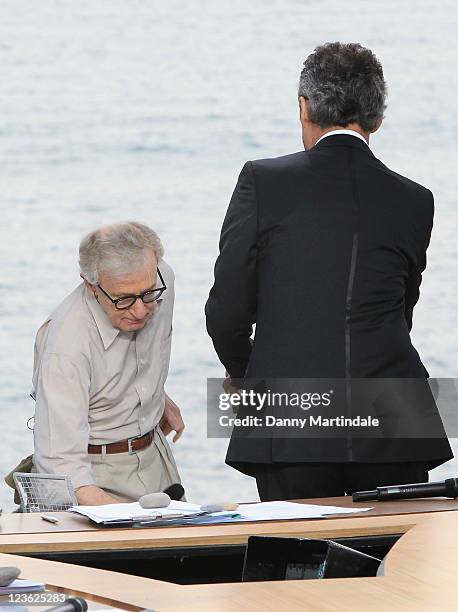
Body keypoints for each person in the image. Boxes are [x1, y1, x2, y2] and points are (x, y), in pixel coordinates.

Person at [205, 42, 453, 501]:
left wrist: (248, 374)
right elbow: (401, 311)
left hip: (293, 416)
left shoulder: (264, 181)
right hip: (395, 415)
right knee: (393, 564)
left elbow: (227, 311)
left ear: (305, 107)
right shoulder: (416, 200)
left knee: (295, 563)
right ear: (377, 117)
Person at [32, 221, 184, 505]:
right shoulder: (66, 348)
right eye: (124, 299)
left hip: (157, 459)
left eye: (148, 293)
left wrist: (156, 397)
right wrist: (125, 521)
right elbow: (62, 468)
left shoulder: (162, 279)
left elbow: (129, 362)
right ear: (90, 285)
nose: (141, 310)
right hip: (93, 477)